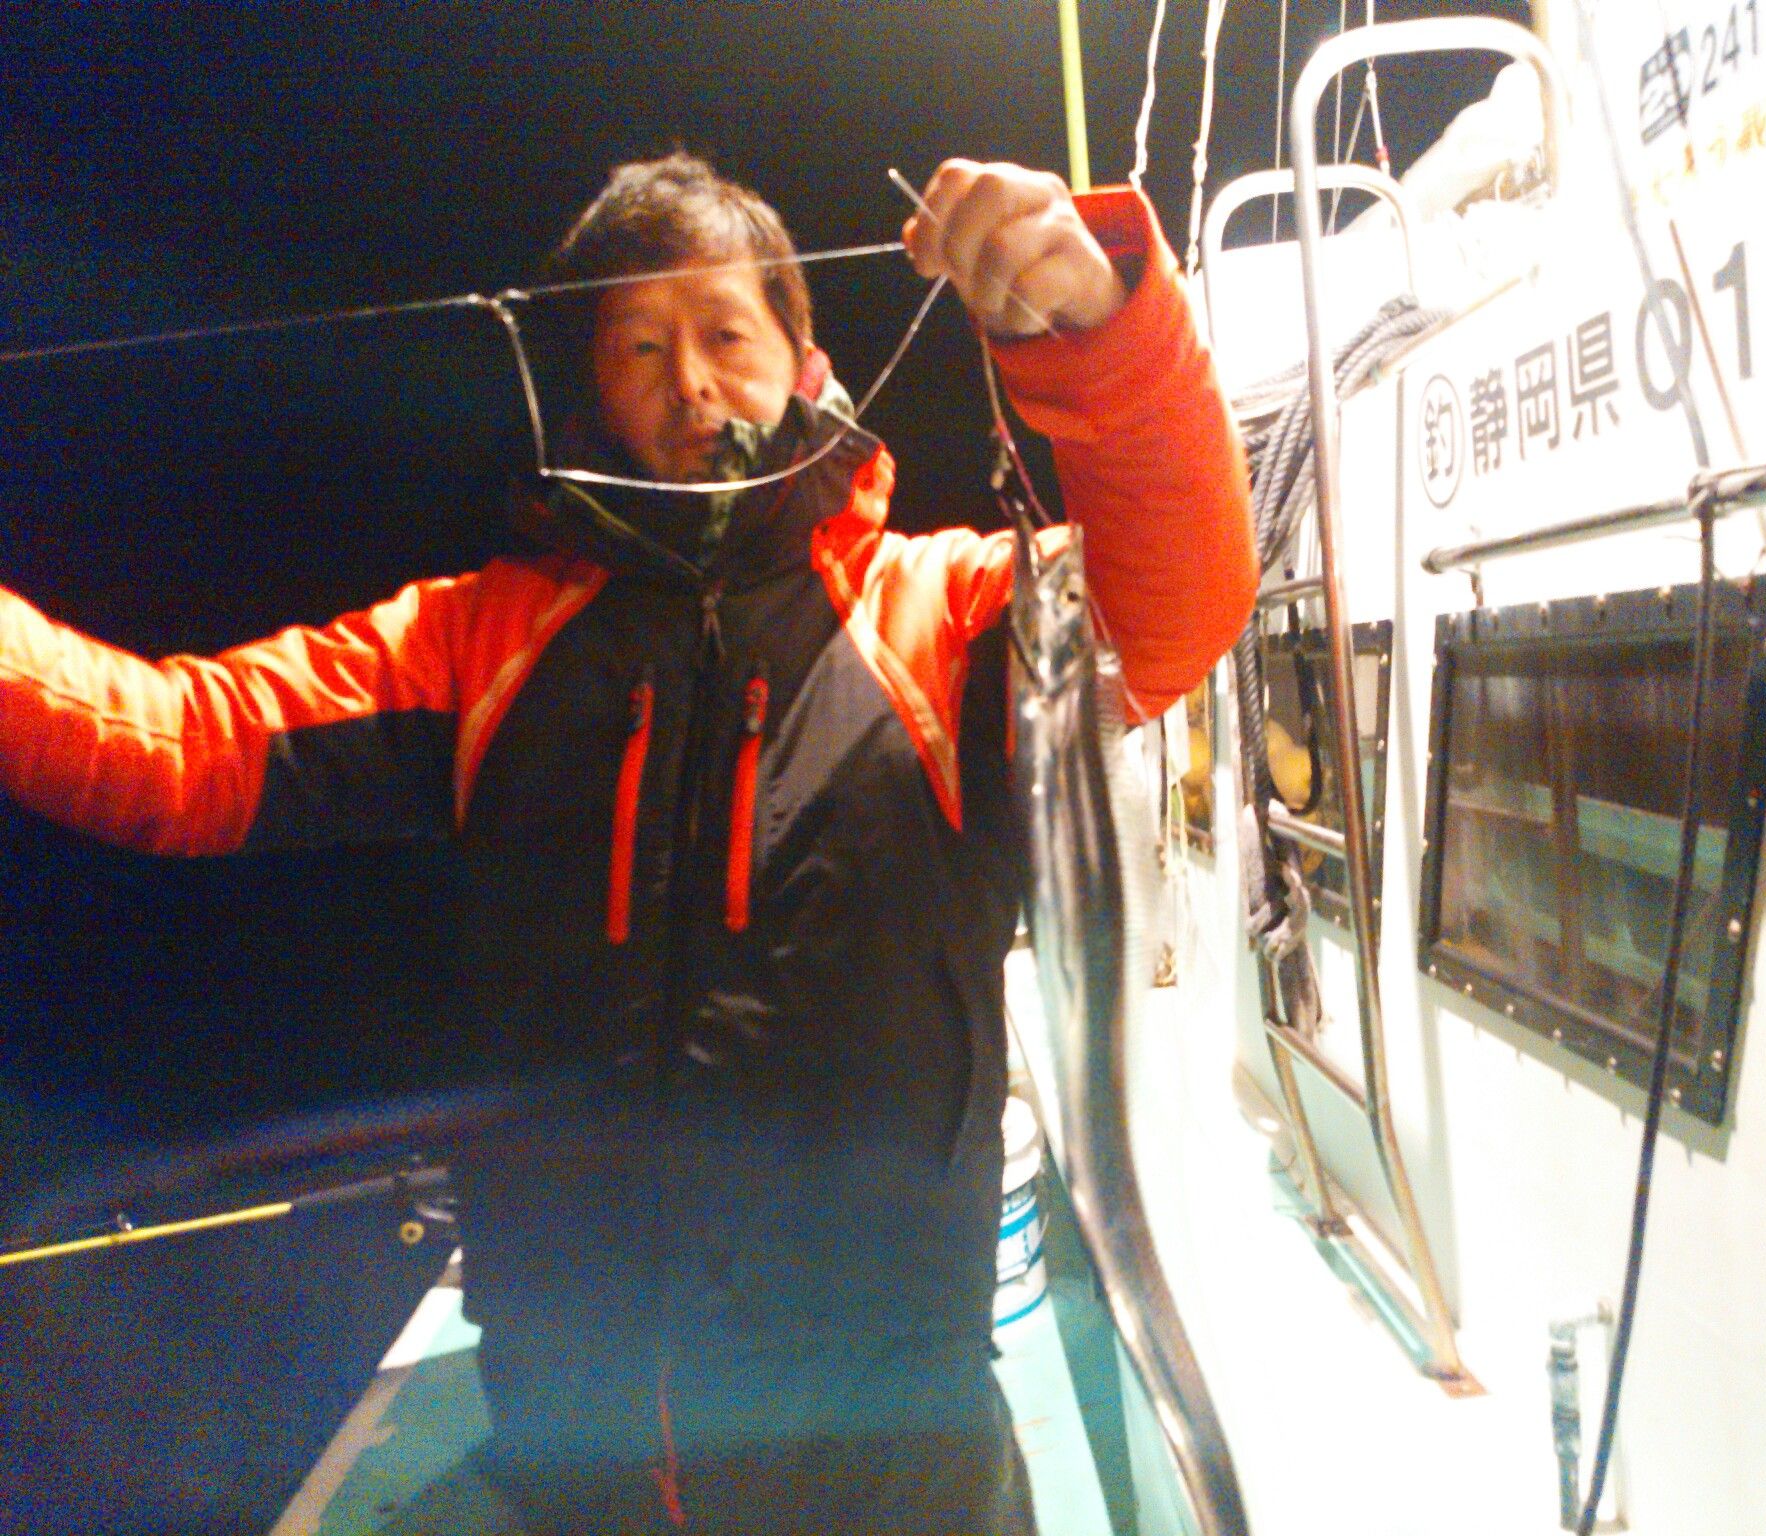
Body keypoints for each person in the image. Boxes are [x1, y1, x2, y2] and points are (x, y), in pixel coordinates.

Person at [0, 149, 1254, 1533]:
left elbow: (1178, 606)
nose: (691, 382)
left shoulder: (941, 613)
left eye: (726, 334)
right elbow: (173, 748)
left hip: (892, 1449)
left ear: (806, 360)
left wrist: (1097, 329)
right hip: (571, 1448)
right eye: (641, 347)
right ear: (590, 389)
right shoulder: (476, 640)